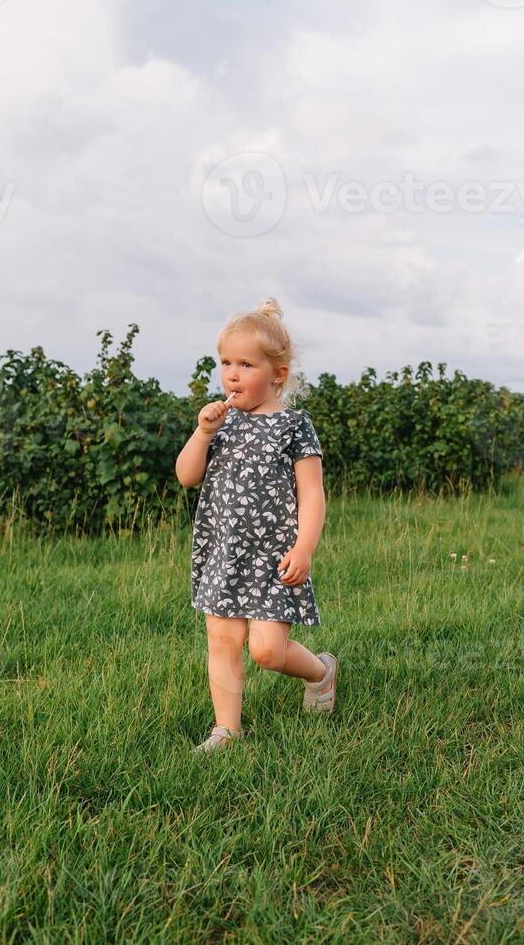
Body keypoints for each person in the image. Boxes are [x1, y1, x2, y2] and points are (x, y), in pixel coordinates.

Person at [174, 298, 338, 754]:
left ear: (277, 374)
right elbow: (186, 476)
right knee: (223, 640)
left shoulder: (293, 425)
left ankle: (321, 672)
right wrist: (203, 432)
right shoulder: (219, 423)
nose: (232, 374)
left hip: (273, 556)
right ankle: (226, 729)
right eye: (226, 362)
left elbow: (312, 493)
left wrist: (304, 547)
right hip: (225, 551)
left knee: (267, 651)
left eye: (246, 364)